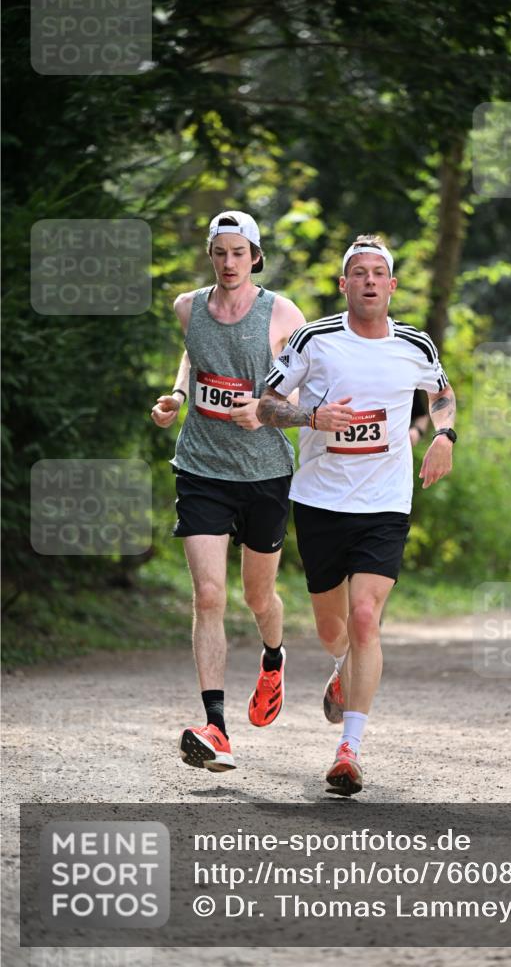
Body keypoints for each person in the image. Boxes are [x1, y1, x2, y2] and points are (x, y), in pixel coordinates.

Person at [257, 234, 456, 795]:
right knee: (333, 630)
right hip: (319, 500)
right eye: (358, 273)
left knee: (366, 617)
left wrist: (445, 434)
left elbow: (441, 393)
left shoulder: (415, 345)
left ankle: (350, 749)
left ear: (391, 286)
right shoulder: (314, 340)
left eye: (378, 273)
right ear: (344, 284)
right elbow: (265, 404)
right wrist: (311, 417)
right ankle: (341, 667)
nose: (369, 281)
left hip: (385, 504)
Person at [151, 210, 305, 771]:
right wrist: (177, 394)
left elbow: (304, 401)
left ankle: (272, 658)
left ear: (255, 256)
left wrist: (265, 413)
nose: (229, 262)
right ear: (210, 255)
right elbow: (194, 352)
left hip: (264, 473)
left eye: (239, 252)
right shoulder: (188, 307)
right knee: (209, 595)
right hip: (201, 468)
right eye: (220, 252)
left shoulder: (283, 314)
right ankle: (215, 727)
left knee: (257, 597)